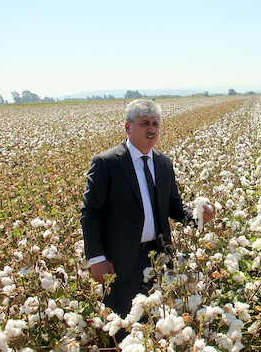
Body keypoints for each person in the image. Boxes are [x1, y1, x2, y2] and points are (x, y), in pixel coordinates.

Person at [81, 99, 216, 317]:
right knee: (124, 323)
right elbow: (90, 213)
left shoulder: (163, 163)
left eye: (155, 124)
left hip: (159, 255)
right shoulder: (107, 162)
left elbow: (172, 204)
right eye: (144, 123)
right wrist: (96, 259)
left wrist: (196, 216)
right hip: (120, 262)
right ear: (128, 127)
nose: (151, 129)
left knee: (157, 320)